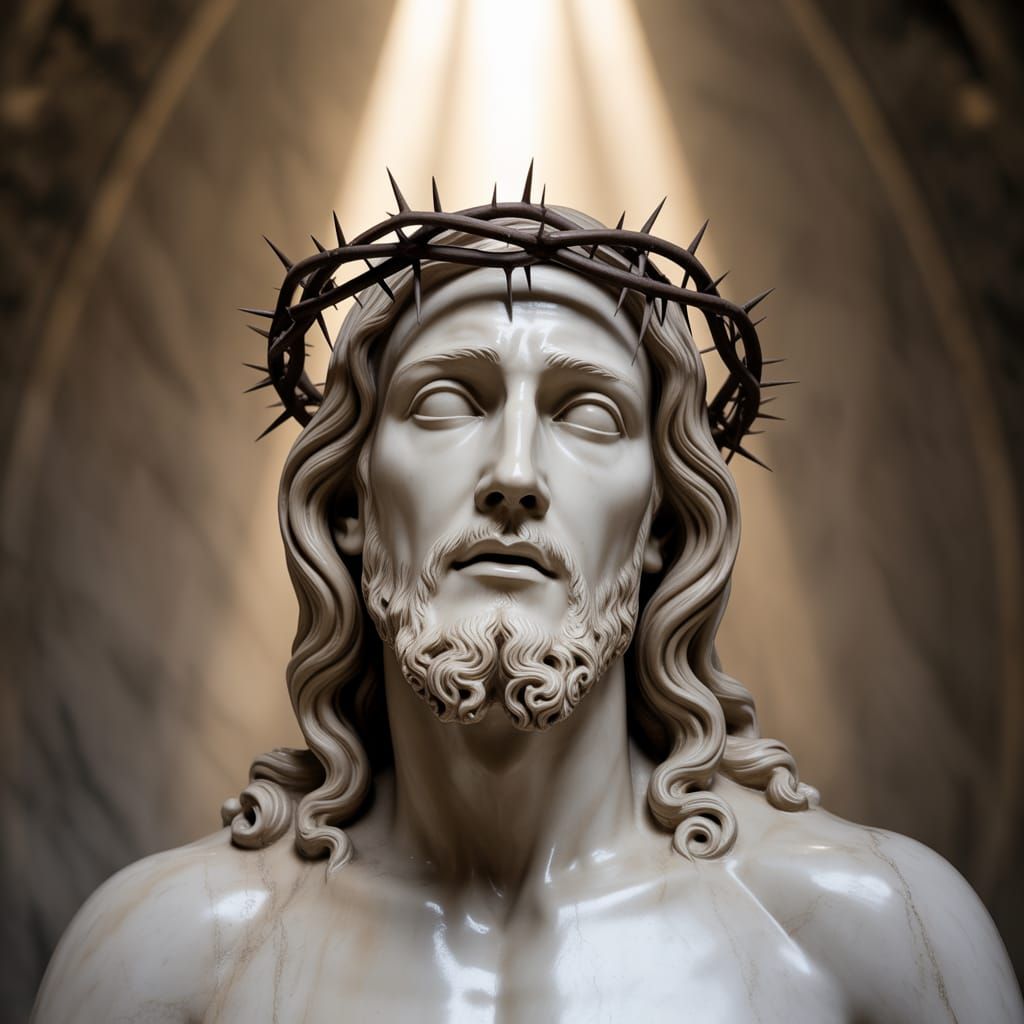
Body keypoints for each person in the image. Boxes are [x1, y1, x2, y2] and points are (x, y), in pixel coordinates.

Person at [33, 197, 1023, 1023]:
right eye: (445, 403)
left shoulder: (874, 942)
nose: (513, 474)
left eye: (587, 414)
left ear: (660, 526)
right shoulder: (167, 964)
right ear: (350, 507)